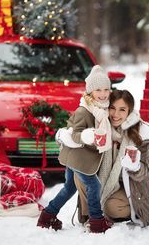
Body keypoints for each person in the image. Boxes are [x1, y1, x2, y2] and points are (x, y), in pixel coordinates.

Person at [37, 65, 113, 233]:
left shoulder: (102, 108)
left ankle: (47, 215)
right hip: (78, 157)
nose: (103, 93)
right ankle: (96, 220)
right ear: (90, 91)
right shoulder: (84, 110)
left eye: (106, 89)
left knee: (70, 187)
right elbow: (74, 133)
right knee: (94, 186)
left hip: (77, 157)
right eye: (98, 89)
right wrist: (88, 135)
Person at [77, 89, 149, 227]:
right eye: (112, 108)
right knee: (79, 174)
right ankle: (92, 216)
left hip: (129, 188)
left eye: (122, 109)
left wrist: (135, 166)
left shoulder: (139, 135)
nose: (116, 114)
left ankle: (103, 210)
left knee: (112, 208)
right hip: (103, 184)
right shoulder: (101, 127)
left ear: (129, 112)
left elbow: (145, 173)